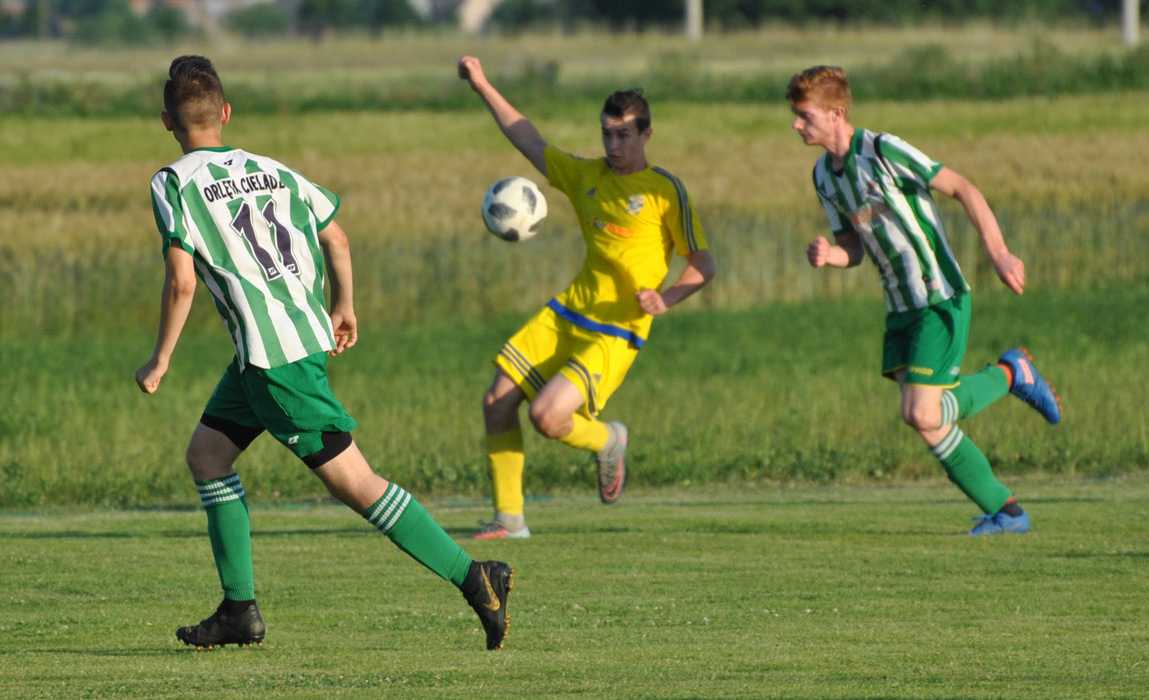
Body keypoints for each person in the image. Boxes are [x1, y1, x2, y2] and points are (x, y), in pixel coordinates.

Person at [136, 55, 515, 650]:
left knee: (356, 484)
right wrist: (345, 305)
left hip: (274, 363)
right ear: (226, 112)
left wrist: (160, 360)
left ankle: (474, 577)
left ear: (167, 121)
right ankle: (239, 611)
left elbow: (182, 281)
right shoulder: (274, 170)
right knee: (207, 456)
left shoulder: (172, 182)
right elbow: (335, 235)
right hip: (281, 347)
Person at [786, 65, 1062, 535]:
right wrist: (833, 254)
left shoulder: (882, 149)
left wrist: (999, 253)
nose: (796, 125)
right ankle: (1007, 511)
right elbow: (854, 244)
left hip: (938, 296)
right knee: (925, 420)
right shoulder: (823, 177)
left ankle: (1012, 373)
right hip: (899, 308)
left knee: (921, 412)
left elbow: (962, 188)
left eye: (804, 116)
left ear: (836, 113)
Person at [456, 56, 716, 539]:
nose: (613, 145)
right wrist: (482, 84)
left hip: (617, 331)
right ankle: (508, 520)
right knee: (496, 400)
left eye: (623, 135)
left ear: (646, 134)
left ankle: (608, 439)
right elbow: (527, 137)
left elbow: (704, 264)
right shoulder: (586, 177)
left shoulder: (664, 191)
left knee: (547, 417)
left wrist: (668, 298)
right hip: (567, 313)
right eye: (606, 135)